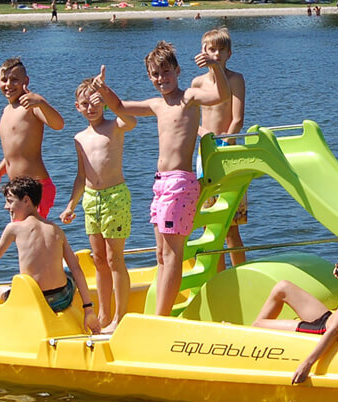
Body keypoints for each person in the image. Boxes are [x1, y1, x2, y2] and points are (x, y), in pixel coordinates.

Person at [92, 41, 230, 316]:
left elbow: (220, 95)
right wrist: (102, 90)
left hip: (180, 182)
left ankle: (160, 318)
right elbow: (120, 106)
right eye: (155, 75)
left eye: (165, 72)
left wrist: (215, 67)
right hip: (161, 184)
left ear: (177, 71)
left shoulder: (189, 97)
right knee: (160, 255)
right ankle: (161, 314)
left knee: (171, 254)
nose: (161, 79)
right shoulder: (156, 105)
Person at [0, 177, 101, 334]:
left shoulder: (14, 228)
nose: (6, 207)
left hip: (34, 300)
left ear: (26, 200)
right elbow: (77, 269)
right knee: (69, 268)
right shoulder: (55, 229)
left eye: (10, 201)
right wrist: (88, 310)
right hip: (63, 298)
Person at [253, 223, 338, 384]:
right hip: (327, 319)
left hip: (321, 329)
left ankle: (245, 338)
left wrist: (307, 364)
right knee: (283, 287)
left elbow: (335, 329)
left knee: (259, 324)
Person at [60, 78, 137, 334]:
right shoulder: (79, 138)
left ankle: (121, 315)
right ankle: (104, 314)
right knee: (99, 259)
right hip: (91, 200)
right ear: (77, 107)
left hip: (115, 196)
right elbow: (82, 176)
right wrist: (71, 204)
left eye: (95, 102)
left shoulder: (114, 125)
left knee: (115, 258)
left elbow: (131, 120)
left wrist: (105, 91)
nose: (91, 108)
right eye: (85, 104)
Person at [192, 27, 247, 269]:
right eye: (210, 49)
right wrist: (207, 138)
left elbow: (237, 119)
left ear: (228, 54)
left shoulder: (235, 79)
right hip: (206, 152)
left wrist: (225, 142)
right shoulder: (197, 82)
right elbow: (193, 120)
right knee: (208, 221)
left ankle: (240, 272)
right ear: (202, 52)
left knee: (230, 225)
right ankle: (217, 273)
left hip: (228, 152)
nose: (215, 54)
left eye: (219, 50)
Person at [0, 58, 64, 219]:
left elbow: (58, 124)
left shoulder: (31, 106)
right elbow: (14, 151)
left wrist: (41, 102)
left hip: (36, 187)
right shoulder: (6, 111)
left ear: (26, 81)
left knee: (33, 238)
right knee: (23, 237)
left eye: (14, 80)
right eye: (4, 80)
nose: (8, 84)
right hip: (16, 189)